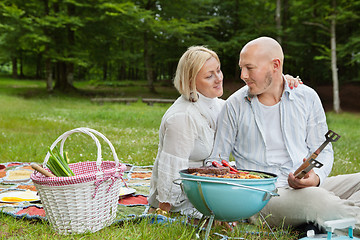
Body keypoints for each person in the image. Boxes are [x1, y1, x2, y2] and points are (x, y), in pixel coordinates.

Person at [206, 36, 360, 235]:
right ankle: (329, 217)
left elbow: (323, 150)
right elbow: (216, 161)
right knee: (317, 200)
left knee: (326, 193)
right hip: (262, 198)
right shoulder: (234, 105)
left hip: (305, 189)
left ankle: (323, 221)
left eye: (250, 68)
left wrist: (317, 179)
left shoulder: (306, 97)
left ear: (275, 65)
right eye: (241, 67)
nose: (243, 75)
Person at [148, 45, 301, 217]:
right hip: (184, 199)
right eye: (209, 76)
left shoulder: (219, 105)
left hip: (211, 188)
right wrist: (162, 212)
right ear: (191, 81)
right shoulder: (182, 117)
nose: (218, 79)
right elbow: (171, 168)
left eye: (218, 71)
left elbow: (251, 99)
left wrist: (279, 81)